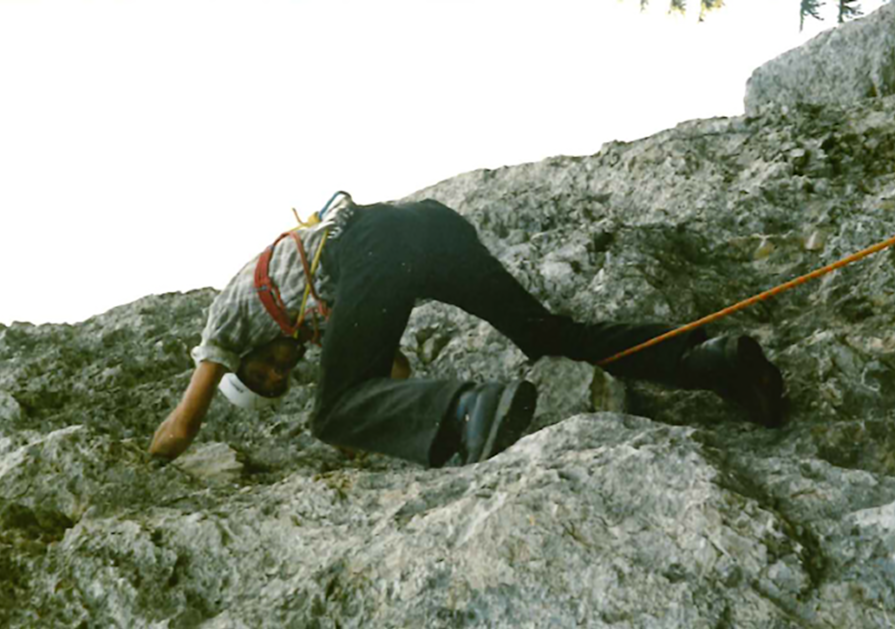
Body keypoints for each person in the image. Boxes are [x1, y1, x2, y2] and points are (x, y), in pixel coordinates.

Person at [149, 193, 784, 467]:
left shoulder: (227, 320)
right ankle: (711, 362)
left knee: (331, 410)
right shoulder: (312, 315)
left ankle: (474, 414)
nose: (280, 371)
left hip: (373, 241)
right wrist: (372, 431)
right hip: (425, 230)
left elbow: (183, 426)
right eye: (278, 381)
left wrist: (146, 461)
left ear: (242, 359)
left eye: (263, 371)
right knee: (547, 336)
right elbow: (394, 375)